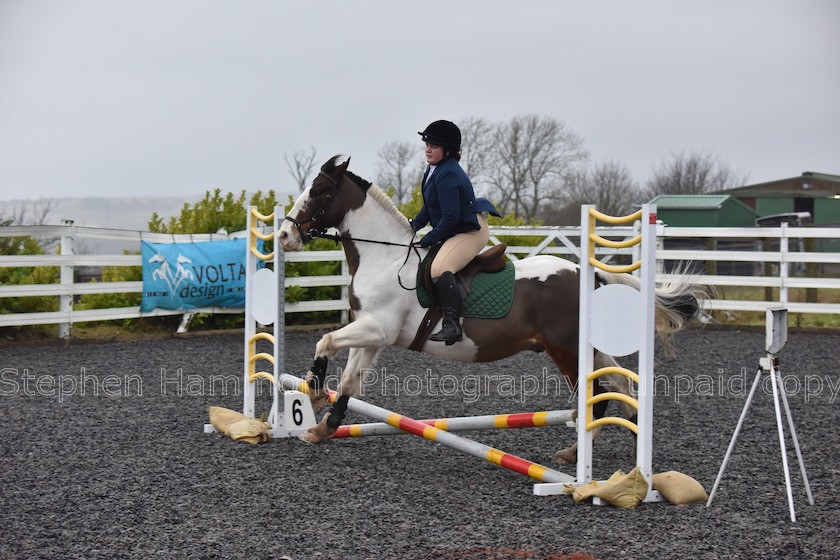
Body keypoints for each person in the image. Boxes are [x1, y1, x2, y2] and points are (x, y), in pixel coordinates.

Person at [410, 120, 501, 345]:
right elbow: (430, 206)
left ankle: (452, 325)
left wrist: (427, 239)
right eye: (427, 143)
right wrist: (412, 225)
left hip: (470, 231)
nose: (428, 149)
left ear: (448, 150)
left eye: (435, 145)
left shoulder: (448, 174)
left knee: (439, 269)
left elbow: (449, 217)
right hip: (457, 224)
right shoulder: (434, 170)